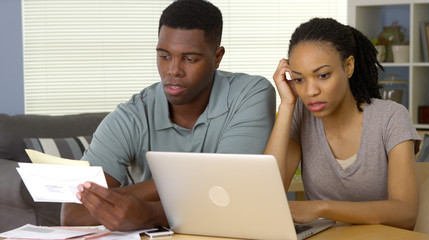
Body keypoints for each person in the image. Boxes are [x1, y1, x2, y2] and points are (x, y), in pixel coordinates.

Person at [61, 0, 276, 231]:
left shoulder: (250, 94)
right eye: (164, 56)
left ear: (217, 57)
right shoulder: (131, 116)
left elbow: (234, 191)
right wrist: (201, 182)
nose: (173, 70)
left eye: (190, 59)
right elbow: (73, 213)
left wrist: (150, 213)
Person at [264, 18, 421, 230]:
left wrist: (323, 208)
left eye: (323, 75)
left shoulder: (391, 118)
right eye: (300, 79)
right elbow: (266, 193)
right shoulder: (300, 114)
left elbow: (405, 213)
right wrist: (287, 105)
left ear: (348, 66)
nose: (310, 92)